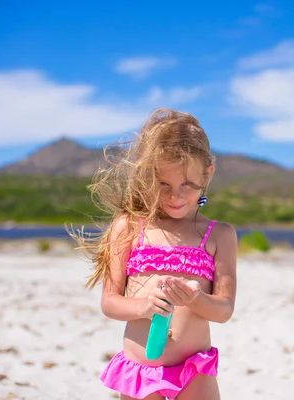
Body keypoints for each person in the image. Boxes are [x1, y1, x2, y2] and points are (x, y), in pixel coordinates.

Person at [71, 108, 238, 399]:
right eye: (163, 184)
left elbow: (223, 311)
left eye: (187, 184)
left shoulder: (219, 234)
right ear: (147, 176)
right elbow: (110, 303)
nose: (175, 196)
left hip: (194, 371)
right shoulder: (129, 227)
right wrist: (145, 306)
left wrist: (195, 299)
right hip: (141, 370)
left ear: (207, 175)